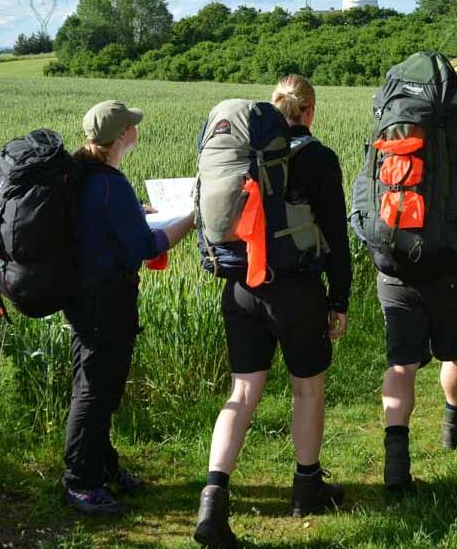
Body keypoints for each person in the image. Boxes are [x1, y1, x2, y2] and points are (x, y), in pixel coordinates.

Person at [193, 76, 351, 548]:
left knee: (242, 392)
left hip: (241, 287)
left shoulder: (247, 155)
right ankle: (307, 488)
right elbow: (336, 236)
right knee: (307, 390)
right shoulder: (318, 159)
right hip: (294, 290)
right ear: (308, 111)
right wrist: (338, 298)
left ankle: (213, 501)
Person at [63, 100, 195, 516]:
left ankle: (102, 465)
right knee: (96, 390)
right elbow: (144, 246)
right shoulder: (109, 184)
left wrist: (136, 212)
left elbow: (98, 225)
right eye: (131, 126)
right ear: (121, 136)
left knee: (94, 383)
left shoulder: (85, 174)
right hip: (107, 301)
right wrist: (189, 220)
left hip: (84, 297)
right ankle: (81, 482)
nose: (136, 129)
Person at [377, 123, 457, 491]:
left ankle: (395, 468)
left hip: (396, 273)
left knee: (401, 364)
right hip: (451, 271)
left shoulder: (386, 151)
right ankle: (454, 424)